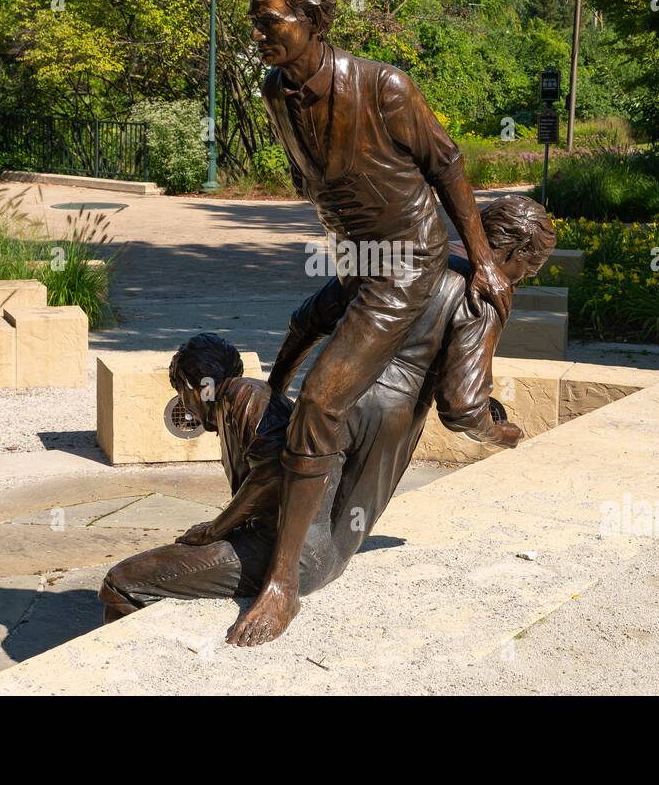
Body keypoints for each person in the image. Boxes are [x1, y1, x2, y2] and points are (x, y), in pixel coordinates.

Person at [99, 196, 557, 644]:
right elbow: (462, 408)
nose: (520, 279)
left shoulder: (398, 260)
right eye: (527, 270)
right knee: (124, 581)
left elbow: (305, 323)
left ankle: (269, 571)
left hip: (324, 432)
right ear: (515, 253)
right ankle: (277, 580)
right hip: (316, 550)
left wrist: (276, 394)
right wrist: (505, 434)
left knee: (121, 581)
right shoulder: (483, 292)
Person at [240, 0, 510, 642]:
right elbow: (310, 181)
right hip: (355, 258)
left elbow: (446, 163)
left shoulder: (384, 85)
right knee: (299, 353)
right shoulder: (275, 91)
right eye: (255, 22)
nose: (259, 34)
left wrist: (481, 258)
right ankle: (254, 508)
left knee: (325, 394)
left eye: (270, 21)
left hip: (405, 261)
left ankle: (282, 583)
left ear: (314, 20)